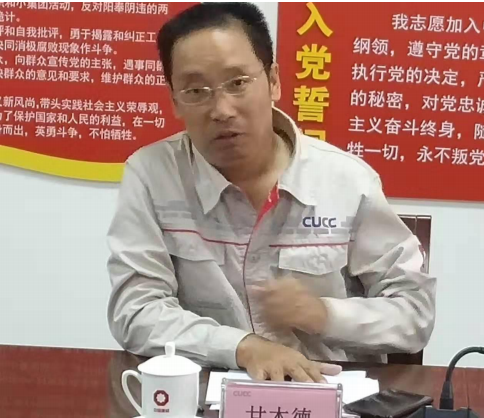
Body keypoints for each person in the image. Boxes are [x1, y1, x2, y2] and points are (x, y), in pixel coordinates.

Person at [107, 2, 436, 383]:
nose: (222, 109)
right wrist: (242, 347)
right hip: (203, 395)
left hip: (328, 392)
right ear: (175, 100)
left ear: (274, 81)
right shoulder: (152, 175)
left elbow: (414, 313)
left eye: (237, 83)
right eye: (196, 90)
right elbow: (135, 310)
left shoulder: (346, 180)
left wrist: (325, 315)